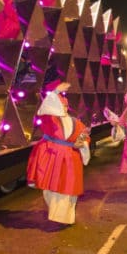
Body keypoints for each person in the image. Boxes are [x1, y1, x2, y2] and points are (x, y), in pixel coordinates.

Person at [26, 81, 89, 225]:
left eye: (66, 106)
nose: (64, 108)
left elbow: (85, 135)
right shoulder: (50, 119)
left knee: (69, 188)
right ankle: (57, 215)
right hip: (53, 158)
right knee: (52, 188)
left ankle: (65, 217)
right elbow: (45, 108)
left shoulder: (75, 122)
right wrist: (54, 92)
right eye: (61, 105)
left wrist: (83, 143)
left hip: (71, 158)